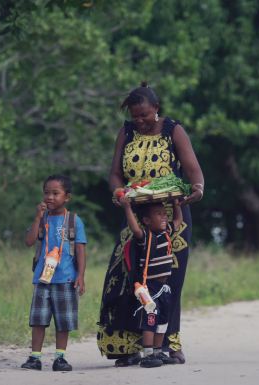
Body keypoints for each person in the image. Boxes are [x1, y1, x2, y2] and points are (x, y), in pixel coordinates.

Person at [97, 82, 204, 366]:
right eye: (136, 116)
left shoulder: (173, 131)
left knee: (167, 282)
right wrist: (119, 192)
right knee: (130, 278)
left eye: (145, 115)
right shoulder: (127, 132)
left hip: (171, 216)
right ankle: (130, 346)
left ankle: (168, 344)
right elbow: (115, 173)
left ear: (156, 109)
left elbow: (193, 170)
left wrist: (198, 188)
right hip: (136, 214)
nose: (140, 121)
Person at [21, 174, 87, 371]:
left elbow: (81, 250)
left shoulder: (74, 221)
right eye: (46, 193)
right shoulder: (42, 219)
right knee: (39, 320)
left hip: (66, 278)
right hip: (42, 279)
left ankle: (60, 358)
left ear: (67, 197)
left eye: (55, 193)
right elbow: (29, 241)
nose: (49, 197)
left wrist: (80, 276)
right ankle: (35, 357)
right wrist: (37, 218)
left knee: (63, 321)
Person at [119, 197, 183, 368]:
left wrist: (176, 204)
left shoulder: (167, 232)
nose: (164, 217)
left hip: (164, 287)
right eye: (158, 214)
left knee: (162, 320)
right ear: (146, 220)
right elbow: (135, 228)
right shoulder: (146, 236)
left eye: (164, 214)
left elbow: (178, 220)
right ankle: (147, 354)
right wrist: (127, 207)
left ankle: (157, 351)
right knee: (150, 318)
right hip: (150, 287)